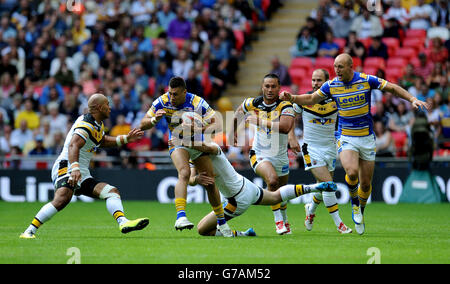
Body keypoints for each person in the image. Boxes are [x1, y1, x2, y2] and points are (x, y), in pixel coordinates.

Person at [279, 53, 429, 235]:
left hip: (366, 137)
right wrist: (292, 97)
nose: (337, 71)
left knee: (365, 184)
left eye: (340, 67)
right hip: (344, 137)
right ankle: (352, 207)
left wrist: (412, 99)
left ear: (351, 67)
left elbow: (391, 88)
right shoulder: (332, 86)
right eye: (335, 67)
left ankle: (356, 209)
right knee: (349, 172)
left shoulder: (366, 80)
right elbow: (310, 99)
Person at [20, 93, 149, 239]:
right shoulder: (86, 124)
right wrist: (74, 168)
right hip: (67, 165)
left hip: (81, 170)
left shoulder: (96, 124)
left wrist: (126, 138)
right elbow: (74, 144)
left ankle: (123, 222)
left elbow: (102, 140)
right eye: (107, 104)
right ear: (99, 107)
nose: (110, 107)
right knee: (63, 198)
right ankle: (29, 231)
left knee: (111, 192)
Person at [178, 141, 337, 237]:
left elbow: (205, 147)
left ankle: (242, 234)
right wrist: (196, 179)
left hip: (236, 200)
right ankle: (315, 187)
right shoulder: (195, 158)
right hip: (246, 186)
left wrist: (184, 140)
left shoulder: (209, 147)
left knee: (202, 229)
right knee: (275, 197)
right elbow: (190, 181)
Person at [139, 76, 233, 236]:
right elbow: (142, 123)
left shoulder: (197, 103)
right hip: (176, 141)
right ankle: (181, 217)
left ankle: (222, 223)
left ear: (184, 92)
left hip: (197, 143)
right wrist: (155, 119)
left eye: (175, 94)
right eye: (170, 93)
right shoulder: (162, 101)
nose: (171, 97)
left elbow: (218, 124)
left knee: (210, 183)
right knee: (184, 173)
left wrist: (199, 128)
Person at [288, 69, 352, 234]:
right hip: (311, 148)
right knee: (329, 186)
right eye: (313, 80)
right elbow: (289, 118)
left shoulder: (336, 100)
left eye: (319, 80)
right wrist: (292, 137)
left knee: (323, 186)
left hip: (330, 147)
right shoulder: (305, 99)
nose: (315, 83)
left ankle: (310, 210)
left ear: (326, 82)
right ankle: (340, 225)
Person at [232, 73, 295, 235]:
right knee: (272, 181)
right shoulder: (253, 103)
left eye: (273, 86)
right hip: (259, 153)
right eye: (267, 86)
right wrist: (233, 133)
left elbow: (285, 127)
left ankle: (285, 219)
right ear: (262, 87)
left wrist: (259, 121)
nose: (270, 89)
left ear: (279, 88)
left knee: (281, 193)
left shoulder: (286, 106)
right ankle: (278, 222)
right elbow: (238, 112)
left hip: (280, 156)